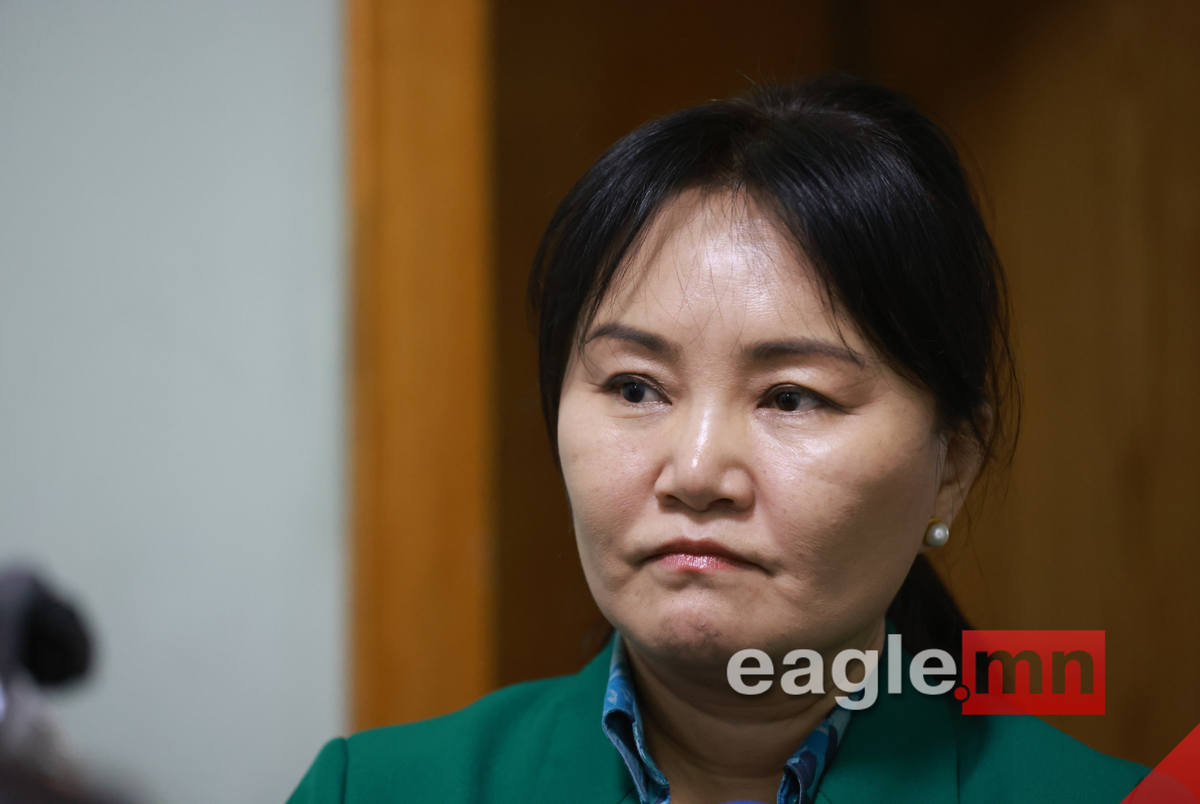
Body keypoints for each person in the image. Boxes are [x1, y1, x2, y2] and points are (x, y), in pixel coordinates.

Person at [289, 74, 1148, 804]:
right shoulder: (371, 791)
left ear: (952, 463)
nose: (696, 472)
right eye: (635, 388)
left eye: (791, 398)